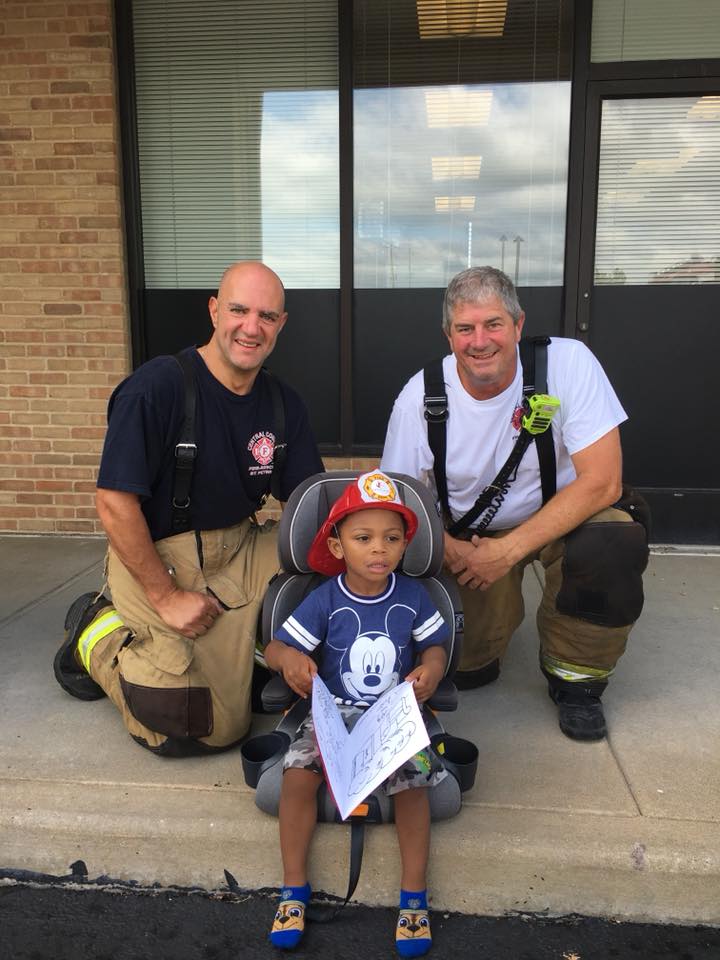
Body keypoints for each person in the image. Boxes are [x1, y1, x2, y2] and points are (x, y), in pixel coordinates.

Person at [54, 261, 324, 756]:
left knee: (343, 604)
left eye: (267, 316)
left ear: (281, 324)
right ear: (214, 310)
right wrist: (165, 596)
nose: (251, 327)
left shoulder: (284, 404)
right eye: (239, 310)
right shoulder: (157, 387)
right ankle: (96, 632)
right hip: (161, 557)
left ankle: (252, 652)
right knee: (193, 727)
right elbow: (114, 503)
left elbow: (310, 507)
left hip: (241, 545)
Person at [381, 266, 648, 742]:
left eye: (493, 325)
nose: (479, 341)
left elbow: (604, 481)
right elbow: (396, 500)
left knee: (612, 538)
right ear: (449, 336)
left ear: (519, 326)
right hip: (470, 537)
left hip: (564, 519)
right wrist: (458, 552)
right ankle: (488, 641)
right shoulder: (419, 398)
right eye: (465, 329)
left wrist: (506, 554)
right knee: (469, 668)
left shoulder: (568, 364)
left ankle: (576, 679)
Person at [264, 470, 449, 955]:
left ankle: (413, 898)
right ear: (338, 544)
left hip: (394, 716)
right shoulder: (324, 598)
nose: (379, 549)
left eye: (392, 538)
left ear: (405, 544)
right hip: (332, 714)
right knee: (298, 775)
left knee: (413, 786)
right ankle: (293, 889)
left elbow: (435, 648)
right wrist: (291, 663)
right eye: (363, 538)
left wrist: (430, 671)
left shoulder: (412, 596)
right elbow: (276, 647)